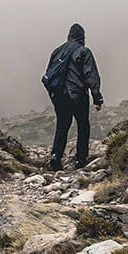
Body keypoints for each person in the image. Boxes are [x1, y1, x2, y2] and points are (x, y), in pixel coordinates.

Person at [44, 22, 103, 170]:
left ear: (69, 35)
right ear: (82, 37)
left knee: (62, 125)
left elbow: (49, 74)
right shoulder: (84, 51)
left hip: (58, 96)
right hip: (77, 95)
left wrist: (53, 95)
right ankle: (81, 160)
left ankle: (55, 156)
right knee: (83, 125)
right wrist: (97, 98)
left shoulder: (57, 51)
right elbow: (91, 76)